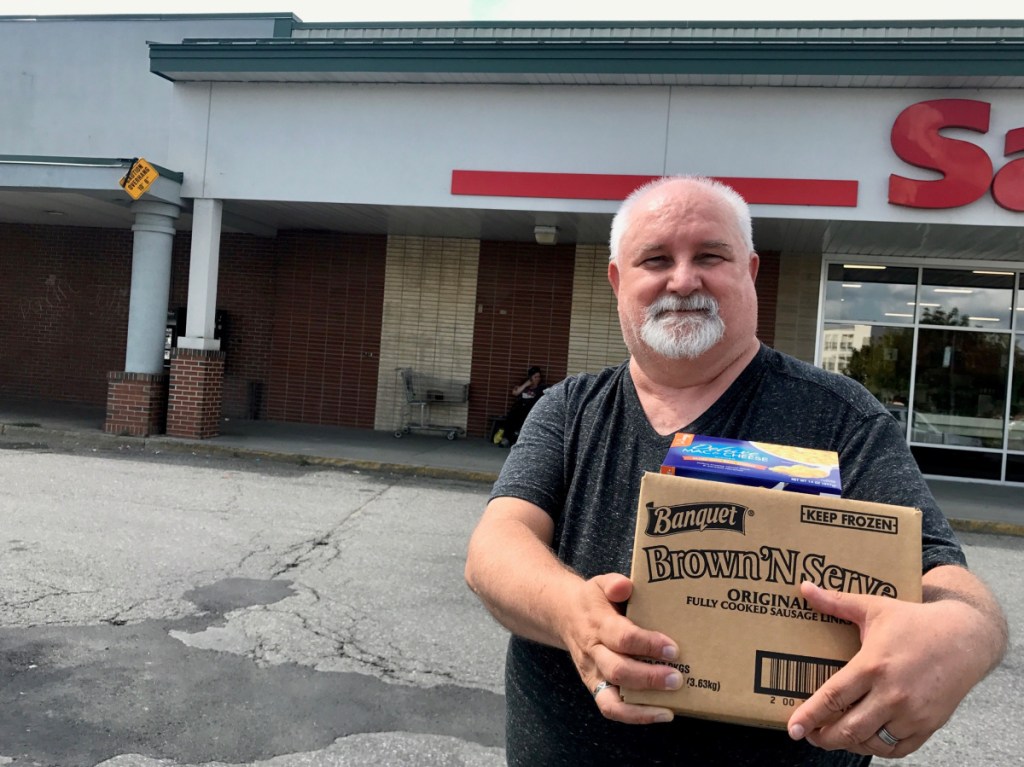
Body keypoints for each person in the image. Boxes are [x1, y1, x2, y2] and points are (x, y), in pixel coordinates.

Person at [465, 176, 1007, 766]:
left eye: (709, 256)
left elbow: (945, 579)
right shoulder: (569, 410)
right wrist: (571, 614)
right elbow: (498, 543)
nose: (682, 279)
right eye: (655, 259)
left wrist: (963, 636)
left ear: (749, 271)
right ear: (618, 281)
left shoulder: (839, 417)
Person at [498, 366, 546, 446]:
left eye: (539, 377)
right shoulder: (523, 385)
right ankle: (507, 438)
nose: (537, 379)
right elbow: (515, 393)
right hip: (519, 409)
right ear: (530, 378)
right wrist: (526, 384)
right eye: (535, 377)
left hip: (531, 410)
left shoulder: (541, 387)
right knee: (512, 415)